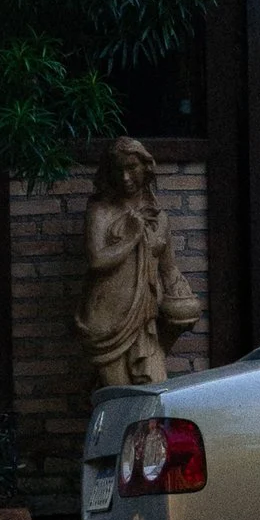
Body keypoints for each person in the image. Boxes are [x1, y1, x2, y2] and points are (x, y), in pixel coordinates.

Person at [72, 136, 201, 391]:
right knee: (121, 399)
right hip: (106, 322)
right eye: (117, 170)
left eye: (132, 167)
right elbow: (97, 260)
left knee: (154, 391)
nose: (125, 177)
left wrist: (182, 297)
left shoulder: (158, 219)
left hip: (146, 323)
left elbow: (168, 268)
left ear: (146, 167)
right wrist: (132, 237)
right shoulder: (100, 211)